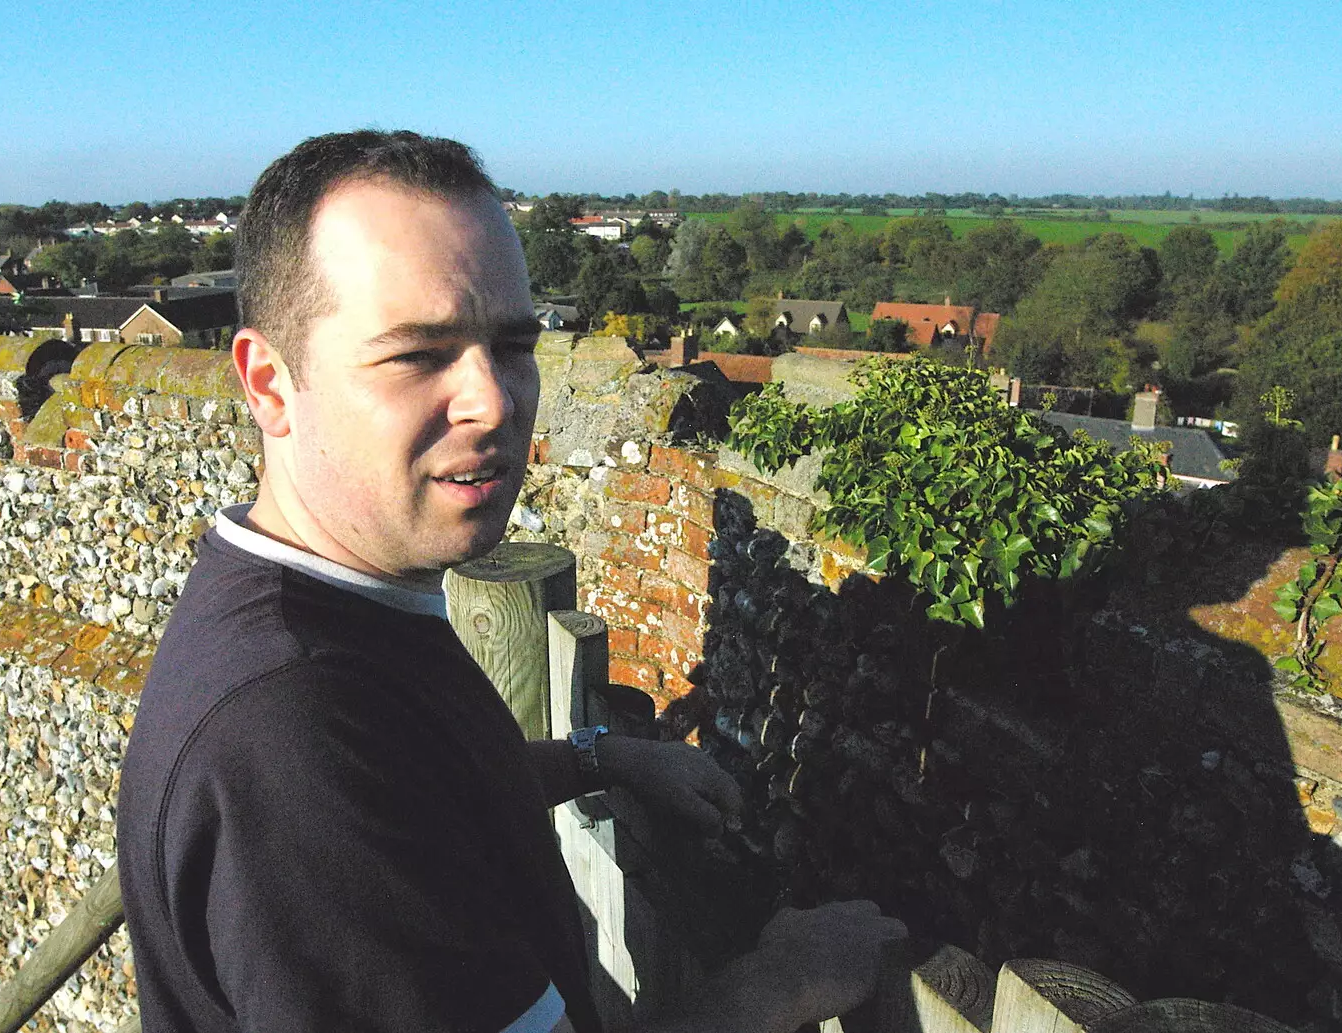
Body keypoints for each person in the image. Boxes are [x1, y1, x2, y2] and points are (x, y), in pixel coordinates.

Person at [117, 130, 905, 1033]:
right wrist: (779, 984)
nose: (495, 400)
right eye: (418, 354)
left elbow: (421, 789)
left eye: (513, 341)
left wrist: (600, 759)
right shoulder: (289, 745)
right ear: (269, 383)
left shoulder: (327, 610)